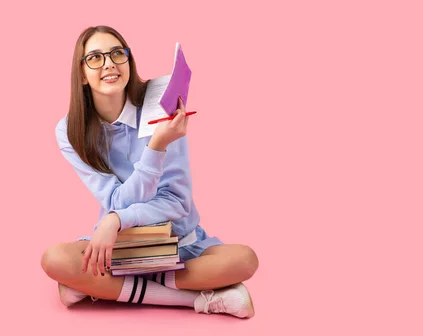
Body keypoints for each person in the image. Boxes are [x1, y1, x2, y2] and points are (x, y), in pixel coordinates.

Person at [40, 25, 259, 319]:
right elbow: (117, 200)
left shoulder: (159, 107)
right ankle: (199, 301)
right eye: (94, 57)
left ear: (129, 62)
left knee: (244, 260)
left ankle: (105, 287)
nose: (109, 63)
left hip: (178, 243)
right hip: (120, 245)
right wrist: (118, 213)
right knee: (54, 259)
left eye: (118, 53)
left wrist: (157, 144)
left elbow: (177, 202)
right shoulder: (70, 131)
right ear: (81, 74)